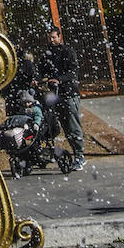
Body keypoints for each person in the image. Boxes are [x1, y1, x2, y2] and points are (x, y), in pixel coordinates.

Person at [38, 25, 85, 170]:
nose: (51, 40)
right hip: (56, 95)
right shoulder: (47, 54)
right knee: (63, 126)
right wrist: (38, 79)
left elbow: (73, 72)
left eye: (54, 37)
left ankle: (79, 156)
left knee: (73, 125)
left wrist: (60, 79)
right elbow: (41, 70)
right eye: (49, 38)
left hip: (69, 94)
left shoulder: (68, 52)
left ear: (59, 37)